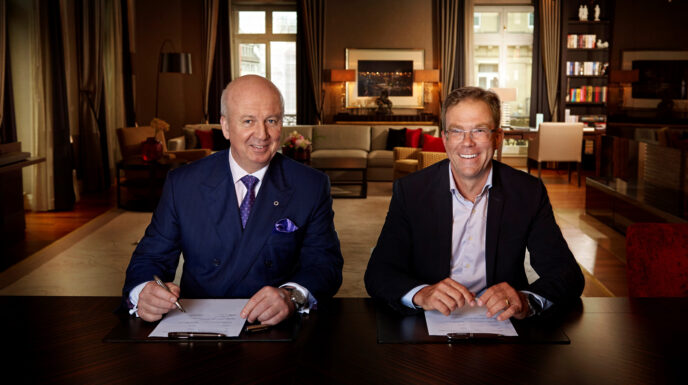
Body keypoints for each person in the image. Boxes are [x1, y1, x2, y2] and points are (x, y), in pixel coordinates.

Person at [122, 75, 343, 325]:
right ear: (225, 127)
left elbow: (325, 264)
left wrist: (292, 295)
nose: (262, 134)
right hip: (198, 324)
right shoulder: (183, 183)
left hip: (274, 326)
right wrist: (144, 292)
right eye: (248, 121)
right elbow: (150, 258)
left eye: (271, 121)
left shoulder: (310, 185)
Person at [364, 86, 584, 320]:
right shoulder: (411, 191)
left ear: (497, 138)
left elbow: (567, 274)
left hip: (503, 322)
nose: (467, 142)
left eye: (479, 130)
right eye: (457, 131)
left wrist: (526, 300)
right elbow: (379, 272)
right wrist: (422, 294)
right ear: (445, 139)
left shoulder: (528, 191)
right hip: (427, 322)